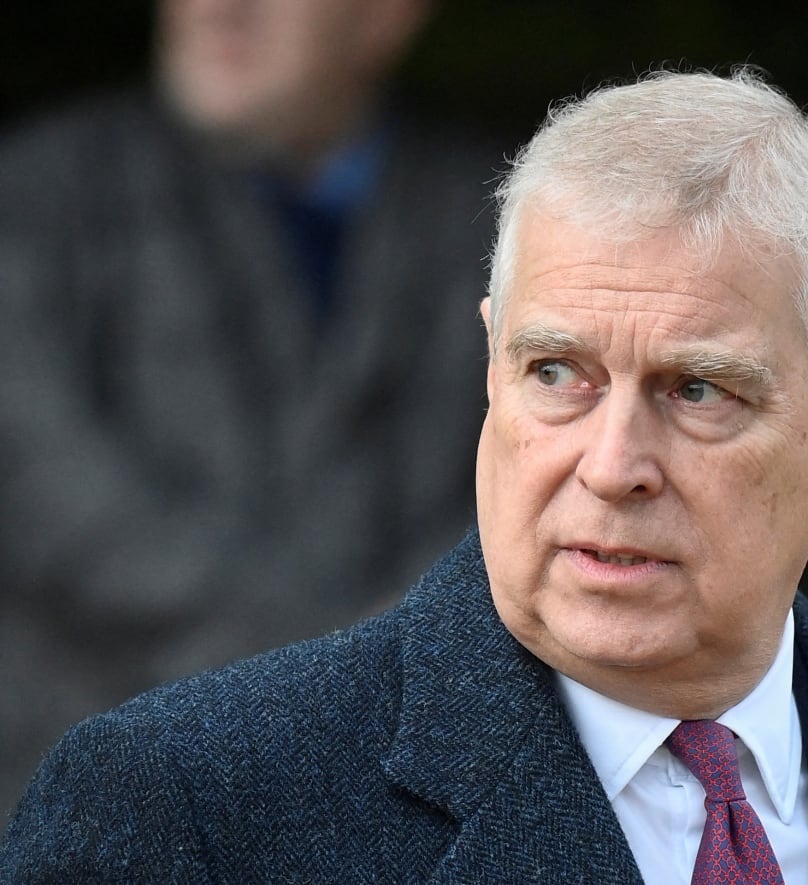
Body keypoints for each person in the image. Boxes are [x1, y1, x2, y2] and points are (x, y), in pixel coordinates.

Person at [0, 68, 808, 883]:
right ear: (491, 368)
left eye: (697, 391)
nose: (612, 466)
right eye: (558, 373)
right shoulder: (185, 808)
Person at [0, 0, 495, 818]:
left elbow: (548, 468)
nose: (222, 9)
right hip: (90, 800)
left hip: (407, 811)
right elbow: (42, 481)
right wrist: (343, 663)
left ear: (387, 17)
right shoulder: (34, 197)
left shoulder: (495, 220)